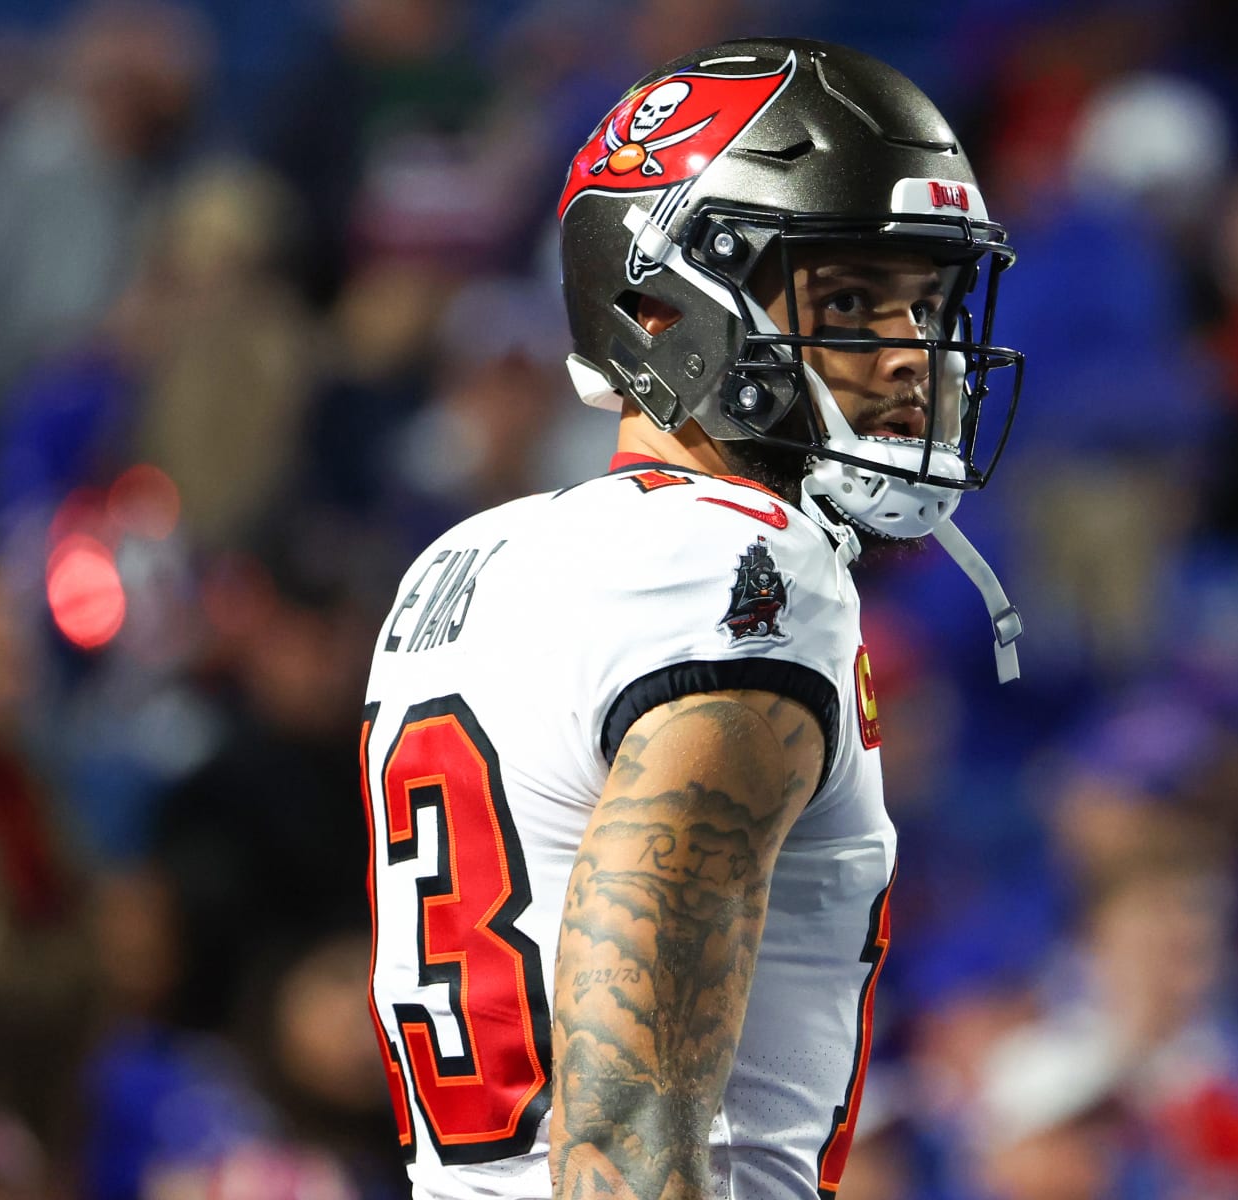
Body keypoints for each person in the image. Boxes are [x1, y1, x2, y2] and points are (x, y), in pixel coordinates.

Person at [360, 38, 1024, 1200]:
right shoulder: (736, 562)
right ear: (663, 310)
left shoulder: (466, 560)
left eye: (926, 303)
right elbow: (620, 1118)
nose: (914, 358)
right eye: (853, 299)